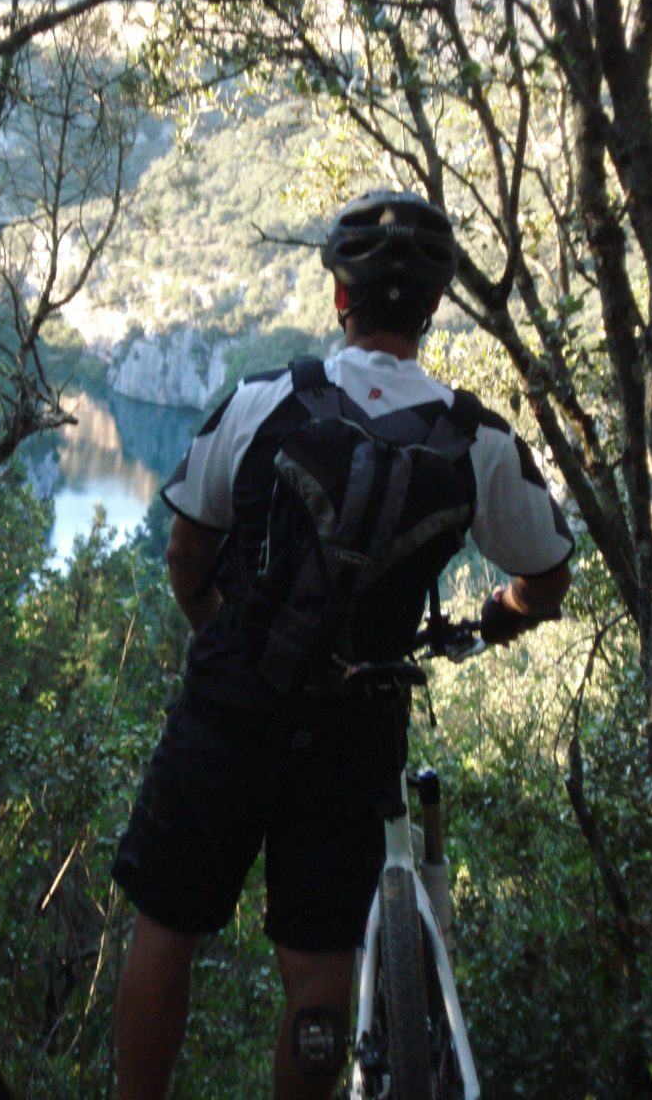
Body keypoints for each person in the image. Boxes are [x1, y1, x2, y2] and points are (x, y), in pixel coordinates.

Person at [112, 190, 574, 1100]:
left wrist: (222, 639)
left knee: (167, 923)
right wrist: (501, 619)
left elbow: (186, 548)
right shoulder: (476, 440)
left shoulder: (262, 400)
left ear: (339, 299)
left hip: (228, 708)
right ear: (433, 308)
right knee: (320, 965)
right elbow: (549, 574)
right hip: (356, 728)